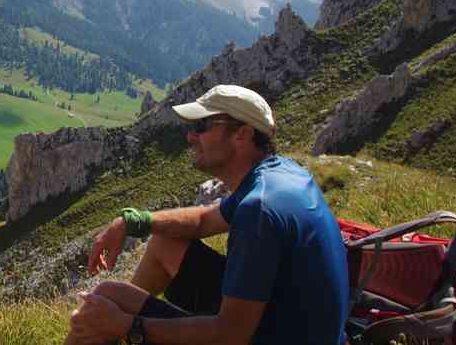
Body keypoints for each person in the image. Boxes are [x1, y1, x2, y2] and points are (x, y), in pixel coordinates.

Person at [65, 84, 349, 345]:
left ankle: (106, 325)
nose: (191, 136)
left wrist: (129, 325)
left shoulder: (258, 210)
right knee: (165, 241)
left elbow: (230, 336)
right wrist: (130, 222)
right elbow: (202, 221)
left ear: (242, 134)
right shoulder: (279, 174)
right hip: (286, 321)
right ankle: (107, 325)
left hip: (263, 334)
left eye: (202, 125)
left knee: (103, 300)